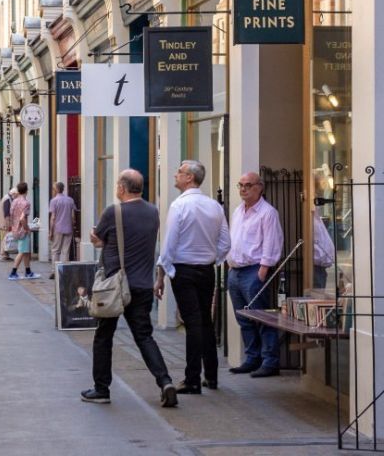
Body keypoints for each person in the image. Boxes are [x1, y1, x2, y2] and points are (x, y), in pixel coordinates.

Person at [82, 169, 177, 408]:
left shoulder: (113, 212)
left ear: (122, 188)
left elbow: (100, 238)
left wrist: (97, 240)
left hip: (114, 286)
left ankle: (101, 389)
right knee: (144, 337)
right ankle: (164, 381)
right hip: (143, 285)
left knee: (103, 337)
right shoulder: (153, 212)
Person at [153, 160, 230, 394]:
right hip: (206, 270)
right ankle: (212, 375)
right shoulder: (214, 206)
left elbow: (169, 244)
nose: (175, 175)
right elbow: (226, 242)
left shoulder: (179, 206)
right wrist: (210, 258)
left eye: (180, 172)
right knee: (205, 320)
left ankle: (193, 378)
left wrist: (161, 276)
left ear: (190, 178)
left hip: (183, 270)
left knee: (193, 323)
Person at [227, 170, 284, 377]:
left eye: (248, 185)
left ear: (260, 187)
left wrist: (263, 270)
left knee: (262, 318)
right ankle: (252, 358)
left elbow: (272, 242)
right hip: (235, 271)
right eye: (240, 185)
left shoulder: (267, 213)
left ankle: (270, 361)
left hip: (254, 271)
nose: (243, 189)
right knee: (243, 319)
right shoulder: (237, 211)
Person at [8, 182, 38, 280]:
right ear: (26, 191)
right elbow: (22, 218)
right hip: (22, 230)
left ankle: (28, 271)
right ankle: (13, 272)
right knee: (21, 251)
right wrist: (27, 229)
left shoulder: (14, 202)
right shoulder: (26, 203)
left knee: (25, 251)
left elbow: (11, 215)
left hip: (15, 229)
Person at [47, 181, 77, 278]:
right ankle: (64, 271)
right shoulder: (70, 200)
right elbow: (73, 216)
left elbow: (53, 217)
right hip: (68, 228)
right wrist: (72, 226)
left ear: (55, 190)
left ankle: (55, 271)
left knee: (55, 250)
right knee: (65, 251)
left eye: (53, 189)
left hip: (58, 228)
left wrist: (50, 231)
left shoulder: (54, 201)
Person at [0, 187, 17, 260]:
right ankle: (3, 255)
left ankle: (5, 254)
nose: (16, 197)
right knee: (5, 239)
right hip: (3, 223)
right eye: (16, 195)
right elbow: (6, 214)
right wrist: (8, 225)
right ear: (13, 194)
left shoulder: (7, 198)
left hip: (2, 222)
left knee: (5, 238)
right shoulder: (7, 199)